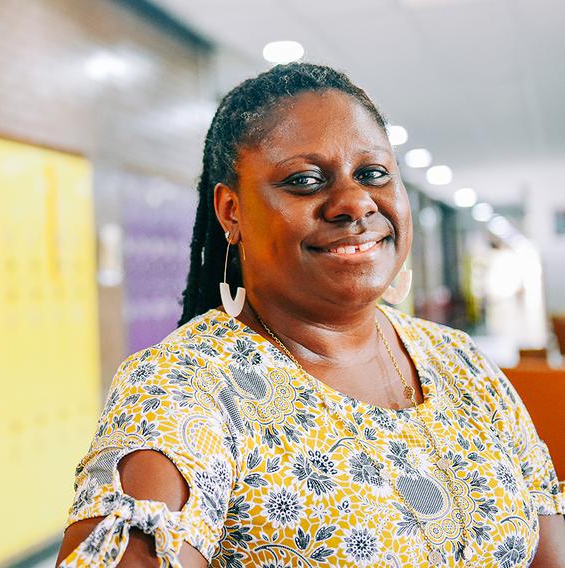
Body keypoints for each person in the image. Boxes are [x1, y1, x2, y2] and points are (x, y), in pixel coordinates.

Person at [56, 63, 565, 567]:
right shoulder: (187, 389)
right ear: (231, 211)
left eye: (373, 174)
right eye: (304, 180)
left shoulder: (460, 362)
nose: (353, 202)